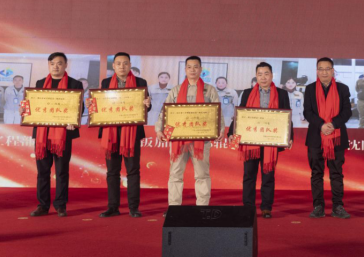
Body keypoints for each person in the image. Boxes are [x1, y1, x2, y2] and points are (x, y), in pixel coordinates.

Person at [88, 53, 151, 218]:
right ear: (113, 66)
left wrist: (147, 104)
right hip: (111, 132)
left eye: (125, 63)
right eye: (118, 63)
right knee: (112, 172)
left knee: (133, 171)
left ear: (130, 65)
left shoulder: (140, 82)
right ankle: (113, 207)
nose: (122, 66)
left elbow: (145, 107)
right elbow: (101, 105)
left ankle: (133, 208)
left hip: (132, 132)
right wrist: (92, 104)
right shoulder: (106, 83)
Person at [155, 56, 224, 208]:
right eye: (189, 67)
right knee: (175, 174)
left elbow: (217, 112)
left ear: (200, 69)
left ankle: (202, 207)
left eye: (196, 67)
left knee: (202, 175)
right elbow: (165, 111)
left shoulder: (209, 90)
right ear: (185, 69)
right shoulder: (176, 90)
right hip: (178, 140)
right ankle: (174, 207)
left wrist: (220, 129)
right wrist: (159, 129)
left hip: (201, 140)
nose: (192, 70)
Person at [228, 63, 293, 219]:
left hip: (271, 141)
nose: (263, 77)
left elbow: (287, 116)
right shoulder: (247, 93)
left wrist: (290, 136)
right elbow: (240, 114)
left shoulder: (282, 94)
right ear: (256, 76)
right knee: (249, 175)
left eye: (266, 74)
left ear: (272, 75)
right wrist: (231, 132)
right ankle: (248, 207)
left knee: (268, 176)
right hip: (250, 141)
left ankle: (266, 208)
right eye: (260, 74)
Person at [26, 53, 83, 217]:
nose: (55, 66)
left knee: (62, 171)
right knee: (42, 172)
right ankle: (43, 205)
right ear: (48, 65)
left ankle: (60, 205)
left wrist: (74, 120)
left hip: (63, 134)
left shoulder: (74, 83)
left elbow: (79, 108)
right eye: (52, 63)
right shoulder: (40, 83)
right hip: (42, 134)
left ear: (65, 65)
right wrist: (25, 110)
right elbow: (34, 105)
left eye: (59, 63)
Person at [303, 58, 353, 219]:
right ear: (317, 71)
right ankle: (318, 206)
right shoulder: (310, 89)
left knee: (336, 173)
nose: (324, 72)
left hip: (336, 136)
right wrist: (321, 125)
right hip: (316, 137)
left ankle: (338, 206)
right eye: (321, 69)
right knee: (316, 173)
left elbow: (347, 111)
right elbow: (307, 112)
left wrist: (333, 124)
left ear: (332, 71)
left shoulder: (342, 89)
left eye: (327, 69)